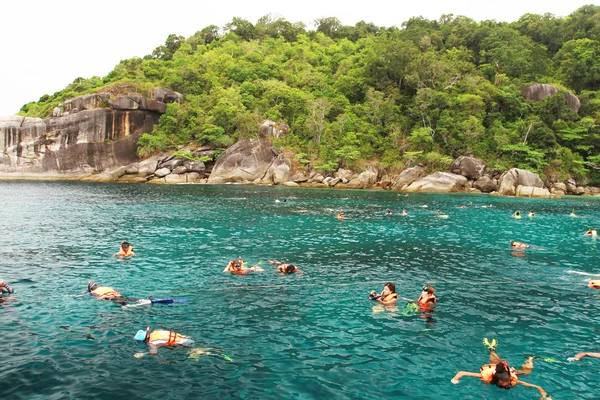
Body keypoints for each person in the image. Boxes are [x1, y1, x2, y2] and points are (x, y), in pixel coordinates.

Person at [451, 338, 550, 398]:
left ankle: (531, 359)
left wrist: (544, 395)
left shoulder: (511, 379)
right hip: (494, 369)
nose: (505, 385)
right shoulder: (487, 376)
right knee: (495, 361)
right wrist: (455, 379)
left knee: (526, 372)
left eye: (506, 383)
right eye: (503, 384)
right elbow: (461, 372)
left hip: (508, 370)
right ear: (496, 380)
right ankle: (491, 349)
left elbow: (537, 387)